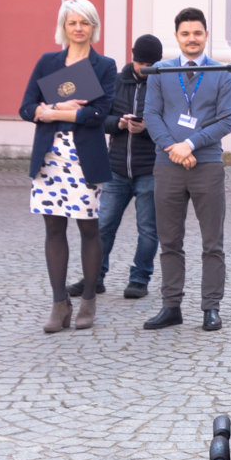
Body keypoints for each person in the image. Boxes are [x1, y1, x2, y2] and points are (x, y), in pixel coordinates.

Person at [19, 0, 118, 333]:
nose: (78, 28)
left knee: (88, 227)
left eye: (85, 22)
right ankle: (59, 303)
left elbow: (98, 114)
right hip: (49, 157)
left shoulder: (104, 65)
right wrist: (57, 106)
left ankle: (89, 298)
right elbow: (26, 106)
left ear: (94, 26)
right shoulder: (48, 62)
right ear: (64, 26)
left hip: (83, 157)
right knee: (53, 229)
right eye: (73, 22)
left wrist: (53, 111)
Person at [142, 8, 231, 332]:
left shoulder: (222, 72)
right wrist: (175, 148)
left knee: (213, 242)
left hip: (207, 164)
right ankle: (172, 306)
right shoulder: (160, 71)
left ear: (206, 35)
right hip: (167, 164)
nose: (192, 39)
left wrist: (191, 145)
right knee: (169, 241)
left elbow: (226, 119)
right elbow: (152, 115)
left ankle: (211, 307)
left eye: (197, 33)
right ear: (177, 37)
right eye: (185, 33)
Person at [72, 32, 162, 300]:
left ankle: (139, 279)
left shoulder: (163, 84)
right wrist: (119, 124)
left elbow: (169, 124)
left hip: (150, 169)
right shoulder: (116, 80)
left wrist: (146, 128)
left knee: (148, 229)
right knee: (103, 226)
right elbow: (102, 117)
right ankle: (94, 277)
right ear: (132, 59)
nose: (142, 68)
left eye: (148, 64)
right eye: (139, 63)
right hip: (116, 169)